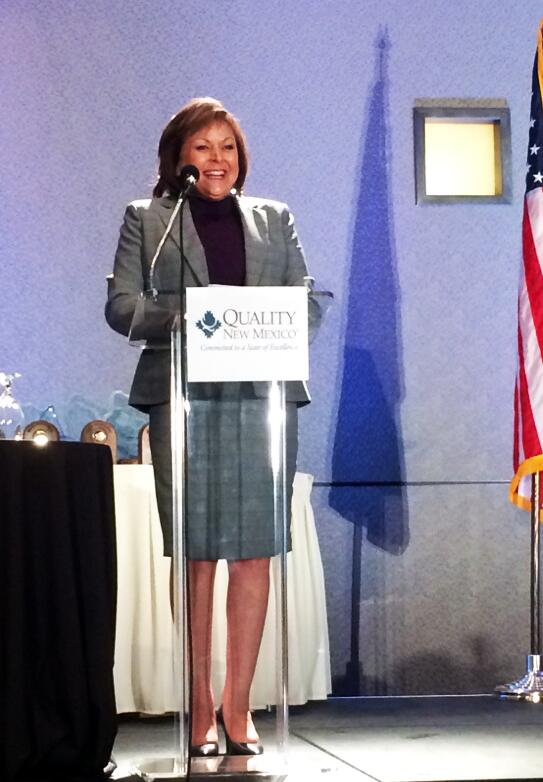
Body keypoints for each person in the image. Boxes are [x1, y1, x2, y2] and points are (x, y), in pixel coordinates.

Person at [105, 97, 313, 756]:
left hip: (260, 399)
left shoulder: (274, 219)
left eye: (227, 147)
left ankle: (238, 705)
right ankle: (198, 706)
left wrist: (277, 321)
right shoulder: (149, 219)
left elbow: (305, 299)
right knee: (196, 554)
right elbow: (122, 305)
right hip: (183, 396)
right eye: (203, 147)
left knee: (253, 554)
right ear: (179, 158)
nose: (217, 159)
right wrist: (194, 321)